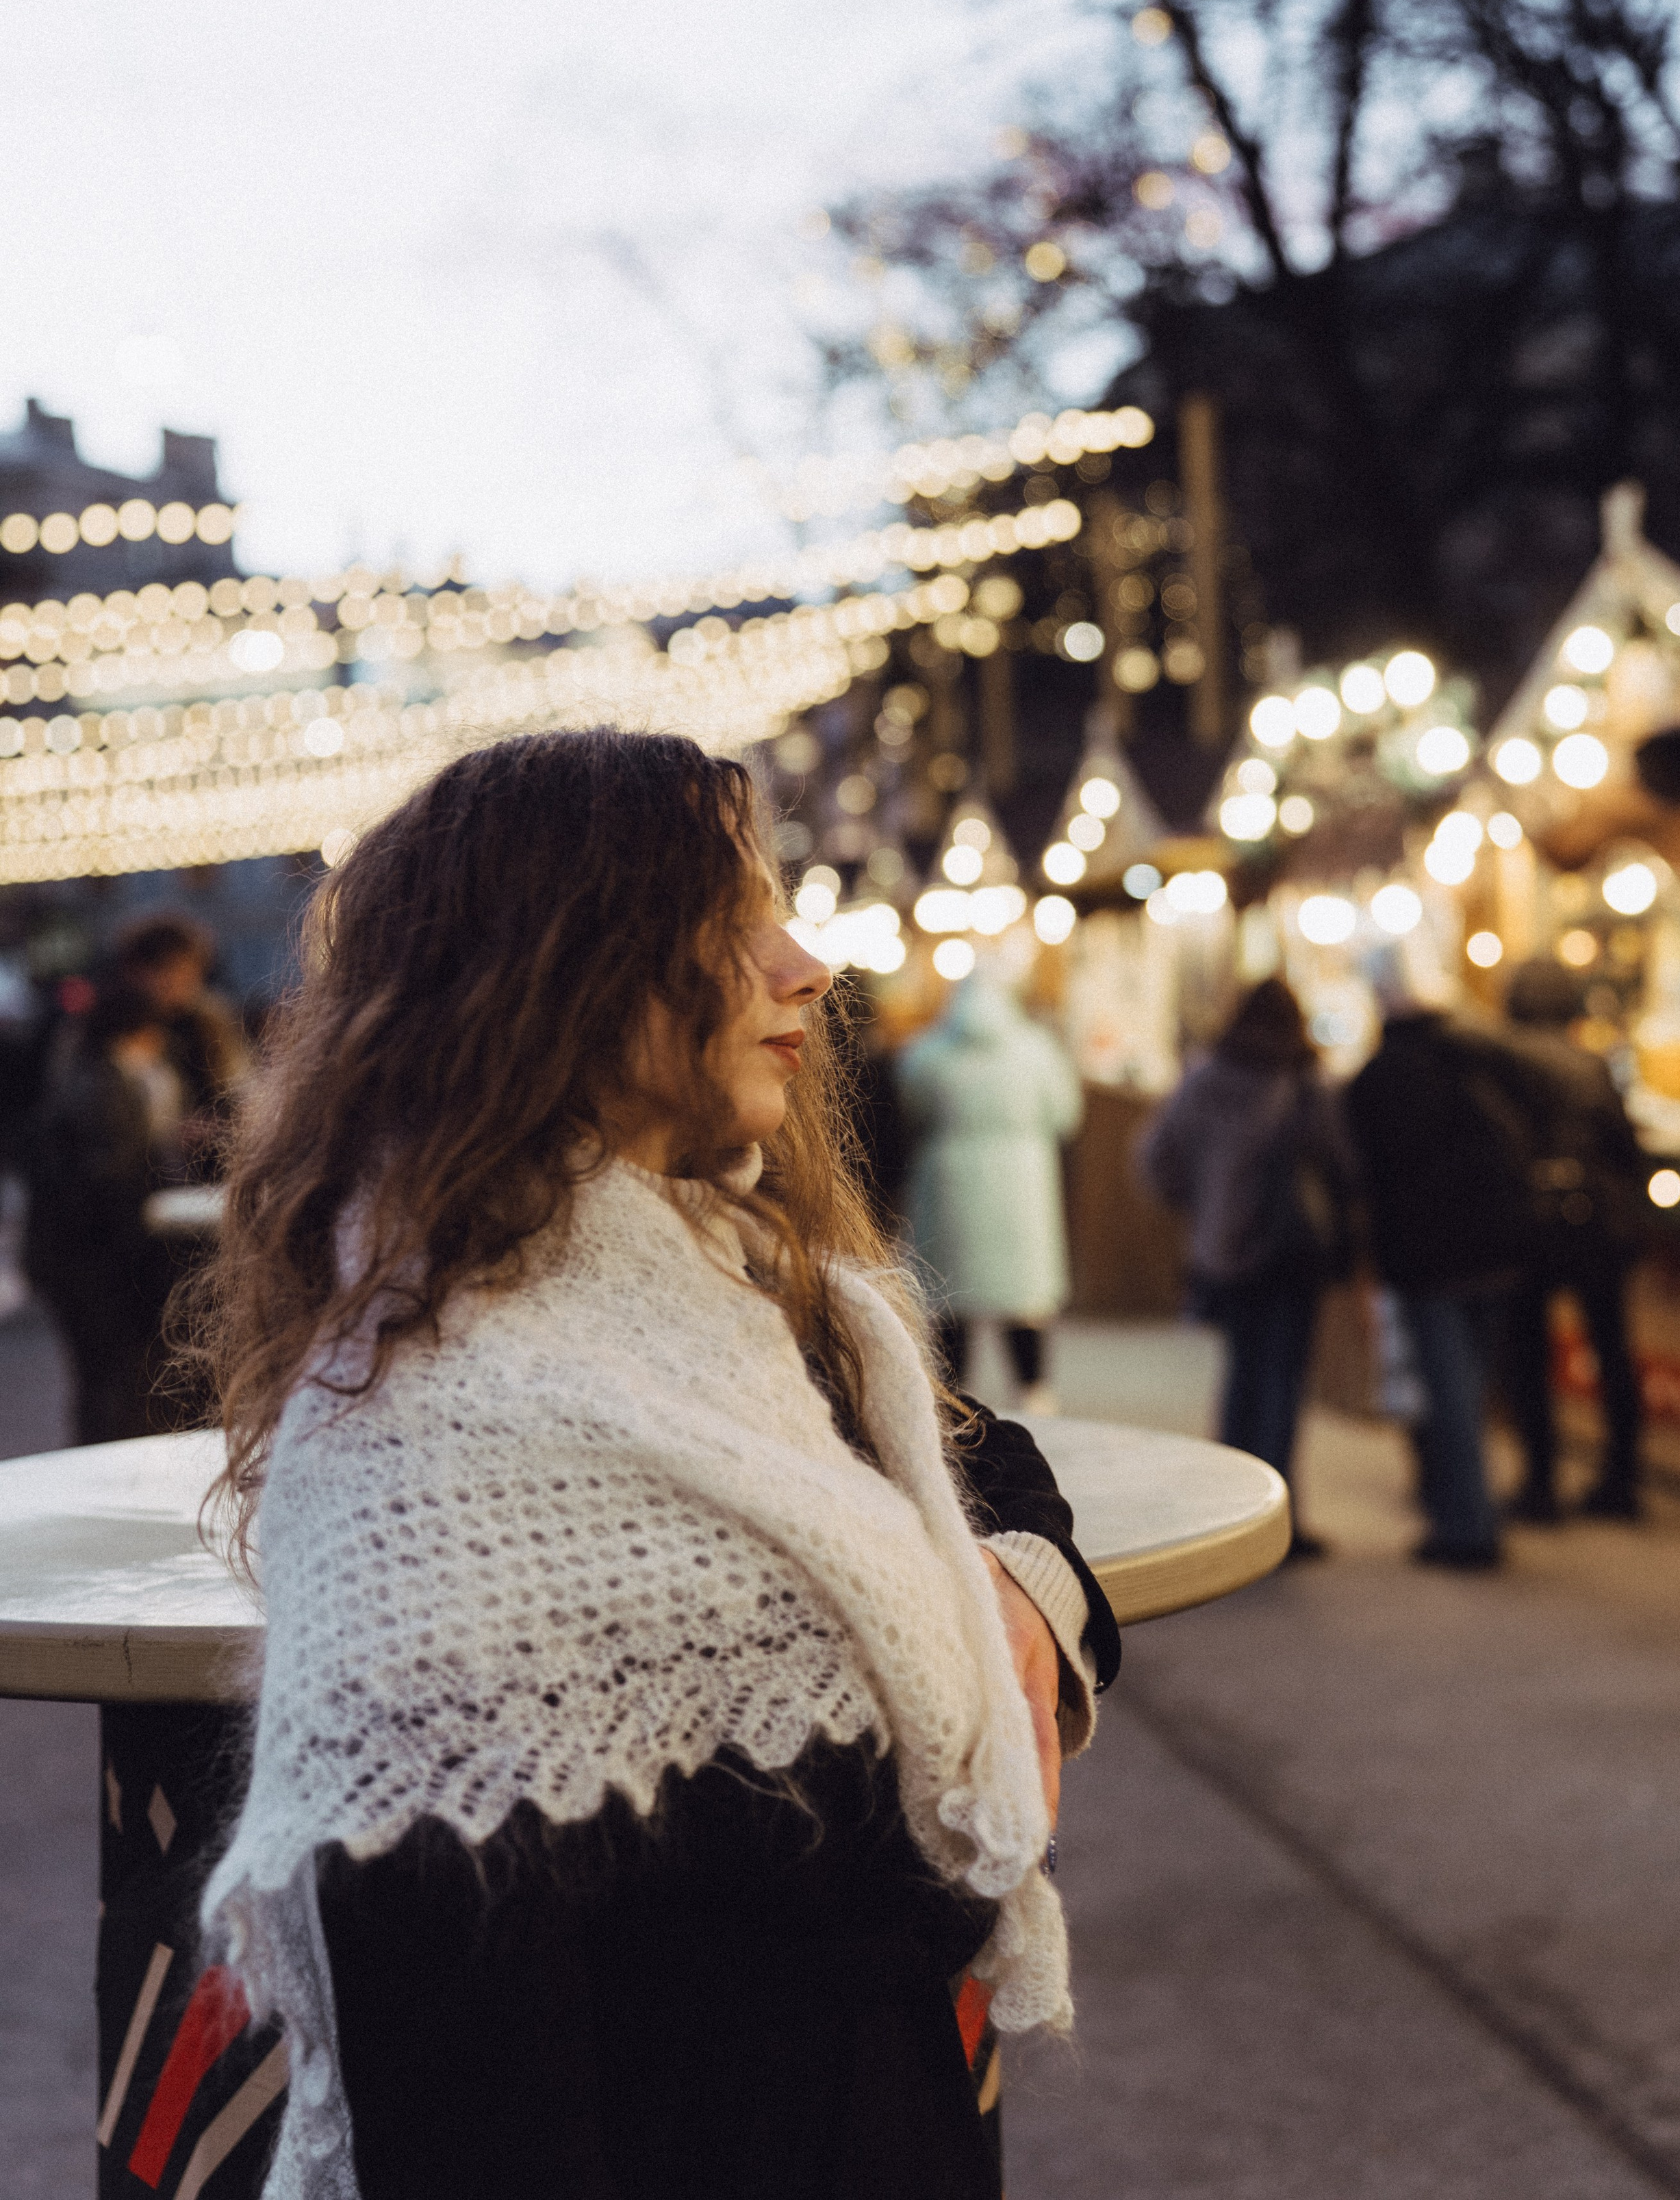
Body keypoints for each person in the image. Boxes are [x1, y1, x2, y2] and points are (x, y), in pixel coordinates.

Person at [194, 729, 1119, 2200]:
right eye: (728, 923)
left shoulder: (749, 1292)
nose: (805, 965)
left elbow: (982, 1466)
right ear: (560, 972)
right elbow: (470, 2097)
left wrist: (1013, 1584)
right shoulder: (423, 1458)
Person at [1134, 977, 1360, 1556]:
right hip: (1288, 1252)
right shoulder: (1306, 1085)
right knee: (1282, 1382)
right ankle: (1278, 1520)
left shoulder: (1205, 1078)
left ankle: (1230, 1513)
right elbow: (1340, 1167)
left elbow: (1154, 1158)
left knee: (1239, 1381)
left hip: (1221, 1252)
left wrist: (1201, 1204)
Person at [1345, 943, 1543, 1570]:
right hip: (1496, 1246)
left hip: (1431, 1259)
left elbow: (1367, 1177)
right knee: (1477, 1387)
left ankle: (1467, 1526)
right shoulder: (1479, 1058)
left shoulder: (1375, 1080)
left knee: (1451, 1392)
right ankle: (1473, 1510)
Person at [1498, 956, 1646, 1520]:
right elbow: (1625, 1147)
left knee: (1529, 1358)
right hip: (1599, 1226)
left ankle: (1541, 1485)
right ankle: (1622, 1479)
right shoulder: (1593, 1066)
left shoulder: (1503, 1062)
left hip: (1530, 1227)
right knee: (1612, 1351)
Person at [895, 973, 1083, 1411]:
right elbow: (1066, 1112)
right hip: (1023, 1183)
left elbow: (912, 1109)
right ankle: (1035, 1390)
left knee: (951, 1297)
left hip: (949, 1182)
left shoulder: (928, 1054)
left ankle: (952, 1402)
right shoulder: (1037, 1051)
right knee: (1025, 1297)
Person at [23, 983, 184, 1442]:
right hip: (90, 1259)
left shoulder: (83, 1072)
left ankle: (96, 1461)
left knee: (99, 1376)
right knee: (109, 1376)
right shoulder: (110, 1081)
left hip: (74, 1255)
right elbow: (110, 1177)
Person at [114, 911, 251, 1170]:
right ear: (138, 972)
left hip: (200, 1169)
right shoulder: (116, 1030)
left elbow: (237, 1089)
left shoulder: (208, 1022)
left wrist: (218, 1124)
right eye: (174, 970)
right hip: (136, 1174)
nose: (188, 981)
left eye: (192, 970)